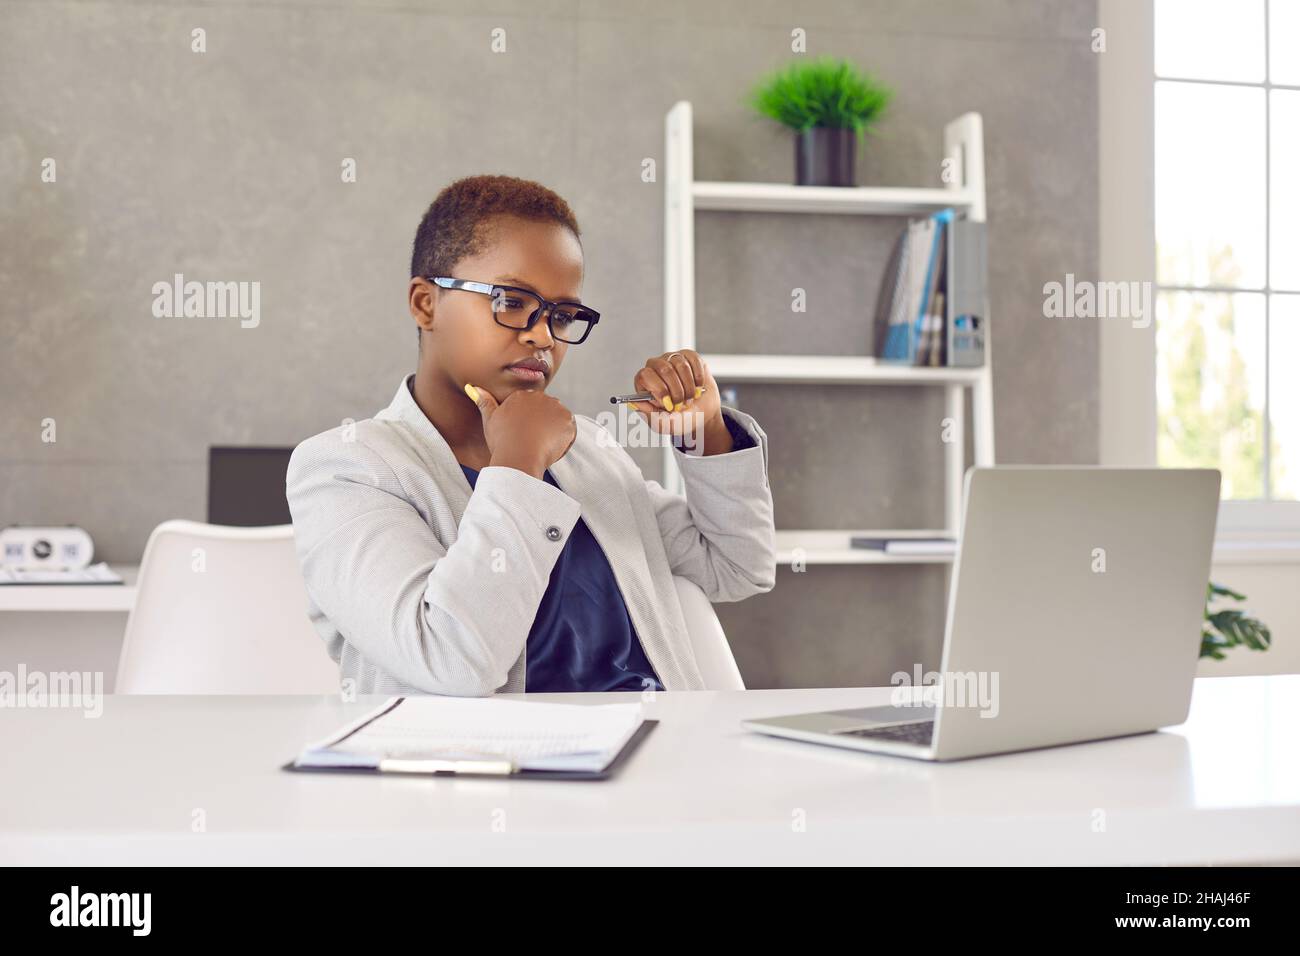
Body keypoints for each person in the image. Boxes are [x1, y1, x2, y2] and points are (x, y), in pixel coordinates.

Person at [286, 174, 775, 695]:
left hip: (659, 751)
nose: (542, 334)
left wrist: (706, 432)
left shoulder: (588, 453)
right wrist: (518, 461)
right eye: (512, 301)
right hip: (485, 769)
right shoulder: (348, 467)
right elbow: (452, 659)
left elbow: (737, 567)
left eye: (562, 314)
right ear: (426, 304)